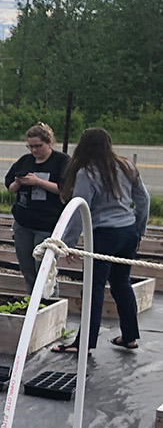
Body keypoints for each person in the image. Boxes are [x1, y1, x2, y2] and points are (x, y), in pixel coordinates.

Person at [51, 128, 150, 354]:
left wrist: (68, 243)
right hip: (127, 232)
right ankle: (129, 336)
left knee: (94, 289)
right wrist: (139, 229)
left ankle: (83, 343)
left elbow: (79, 208)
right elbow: (143, 200)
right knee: (121, 283)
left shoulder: (87, 172)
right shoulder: (126, 166)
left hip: (104, 235)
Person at [4, 122, 71, 295]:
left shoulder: (61, 161)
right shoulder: (25, 161)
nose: (34, 151)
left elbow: (65, 190)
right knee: (28, 269)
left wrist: (38, 182)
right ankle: (32, 304)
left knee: (45, 270)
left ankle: (50, 304)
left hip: (47, 224)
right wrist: (18, 183)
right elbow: (10, 187)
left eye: (38, 146)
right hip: (24, 222)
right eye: (30, 146)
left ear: (49, 142)